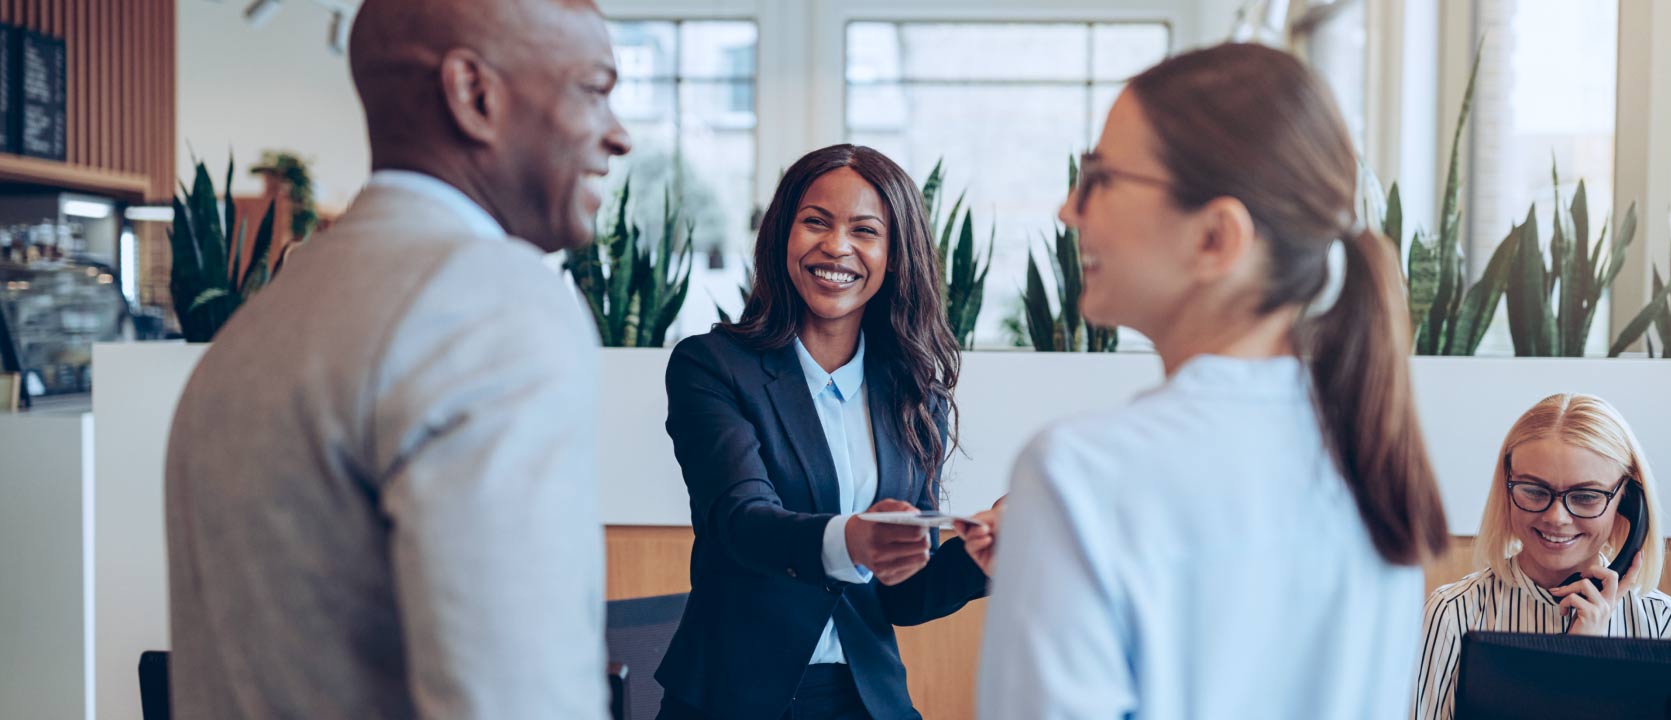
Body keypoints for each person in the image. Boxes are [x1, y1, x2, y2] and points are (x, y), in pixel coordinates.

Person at [164, 1, 630, 717]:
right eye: (594, 90)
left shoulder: (253, 330)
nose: (617, 135)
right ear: (475, 95)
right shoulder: (492, 302)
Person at [974, 43, 1450, 719]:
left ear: (1215, 238)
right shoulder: (1374, 463)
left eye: (1100, 178)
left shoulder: (1080, 476)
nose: (1068, 210)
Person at [656, 144, 993, 720]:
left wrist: (984, 557)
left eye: (865, 230)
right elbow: (742, 521)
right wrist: (851, 539)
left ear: (893, 255)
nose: (836, 246)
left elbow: (904, 594)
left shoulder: (914, 397)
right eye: (816, 222)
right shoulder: (711, 367)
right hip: (732, 699)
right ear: (782, 234)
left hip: (867, 699)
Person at [1412, 393, 1671, 720]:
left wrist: (1590, 659)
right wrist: (1569, 663)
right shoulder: (1452, 614)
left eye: (1585, 496)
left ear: (1628, 501)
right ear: (1506, 488)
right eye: (1534, 491)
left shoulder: (1666, 626)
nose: (1557, 518)